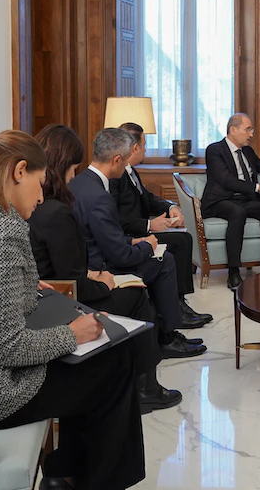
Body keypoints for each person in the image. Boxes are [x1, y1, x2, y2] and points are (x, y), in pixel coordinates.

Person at [0, 130, 145, 490]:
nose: (42, 195)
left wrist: (20, 286)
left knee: (97, 359)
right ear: (19, 171)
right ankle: (87, 479)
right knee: (114, 360)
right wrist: (72, 334)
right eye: (40, 182)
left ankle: (66, 474)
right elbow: (8, 349)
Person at [28, 124, 183, 414]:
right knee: (137, 294)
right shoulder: (60, 209)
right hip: (63, 297)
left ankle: (157, 353)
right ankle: (146, 385)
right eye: (72, 169)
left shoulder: (48, 203)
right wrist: (103, 281)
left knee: (154, 270)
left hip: (58, 287)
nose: (72, 177)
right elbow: (73, 278)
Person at [69, 128, 206, 358]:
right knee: (163, 261)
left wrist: (134, 240)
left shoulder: (79, 182)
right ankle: (167, 338)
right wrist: (146, 245)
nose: (126, 166)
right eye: (124, 161)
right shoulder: (100, 196)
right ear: (116, 160)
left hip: (93, 259)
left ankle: (169, 326)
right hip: (103, 268)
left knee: (167, 251)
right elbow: (121, 256)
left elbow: (104, 236)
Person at [111, 122, 212, 326]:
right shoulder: (116, 177)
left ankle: (179, 302)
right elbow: (117, 219)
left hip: (139, 230)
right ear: (134, 148)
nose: (146, 149)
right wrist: (149, 226)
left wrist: (170, 206)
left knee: (183, 239)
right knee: (181, 241)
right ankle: (177, 308)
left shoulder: (131, 172)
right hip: (130, 237)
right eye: (144, 145)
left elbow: (148, 198)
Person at [202, 113, 260, 289]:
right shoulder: (214, 150)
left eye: (251, 130)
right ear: (233, 130)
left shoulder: (247, 151)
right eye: (248, 129)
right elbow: (226, 180)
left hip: (244, 199)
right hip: (220, 201)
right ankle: (233, 272)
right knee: (237, 212)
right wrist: (259, 187)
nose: (251, 134)